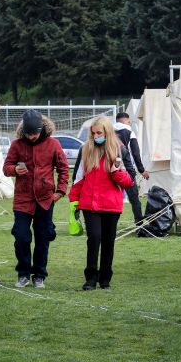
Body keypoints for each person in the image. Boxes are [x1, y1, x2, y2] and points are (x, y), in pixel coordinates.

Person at [3, 110, 69, 289]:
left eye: (35, 133)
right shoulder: (17, 145)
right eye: (29, 133)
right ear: (23, 130)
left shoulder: (53, 144)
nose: (32, 136)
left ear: (42, 129)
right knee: (22, 238)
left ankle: (39, 275)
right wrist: (14, 170)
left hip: (46, 199)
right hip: (22, 200)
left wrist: (60, 192)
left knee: (43, 238)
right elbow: (6, 167)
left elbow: (63, 169)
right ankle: (23, 274)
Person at [69, 117, 133, 291]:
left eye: (99, 133)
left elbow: (129, 180)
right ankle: (90, 278)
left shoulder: (120, 151)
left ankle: (105, 279)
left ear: (107, 132)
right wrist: (74, 200)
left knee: (108, 241)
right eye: (93, 133)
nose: (96, 136)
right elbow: (79, 177)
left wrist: (116, 173)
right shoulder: (86, 150)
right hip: (90, 204)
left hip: (111, 204)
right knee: (94, 238)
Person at [113, 112, 149, 225]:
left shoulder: (108, 131)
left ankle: (108, 224)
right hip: (126, 171)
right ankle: (139, 223)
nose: (129, 124)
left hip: (111, 170)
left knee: (111, 199)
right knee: (134, 199)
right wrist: (142, 170)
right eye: (129, 122)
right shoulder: (129, 131)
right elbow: (135, 153)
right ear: (125, 121)